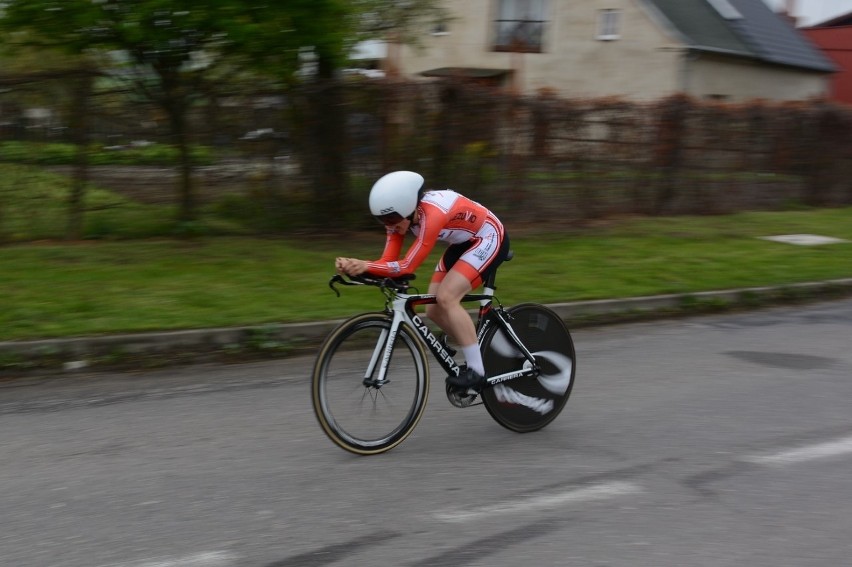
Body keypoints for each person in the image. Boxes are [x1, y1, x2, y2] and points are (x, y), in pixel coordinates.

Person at [335, 170, 510, 390]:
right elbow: (388, 261)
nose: (388, 224)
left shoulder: (431, 215)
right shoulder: (402, 218)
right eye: (382, 220)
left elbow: (406, 266)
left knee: (446, 298)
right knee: (433, 310)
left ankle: (477, 371)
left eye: (390, 219)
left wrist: (365, 265)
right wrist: (356, 269)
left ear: (408, 207)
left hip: (489, 236)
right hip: (463, 242)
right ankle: (474, 347)